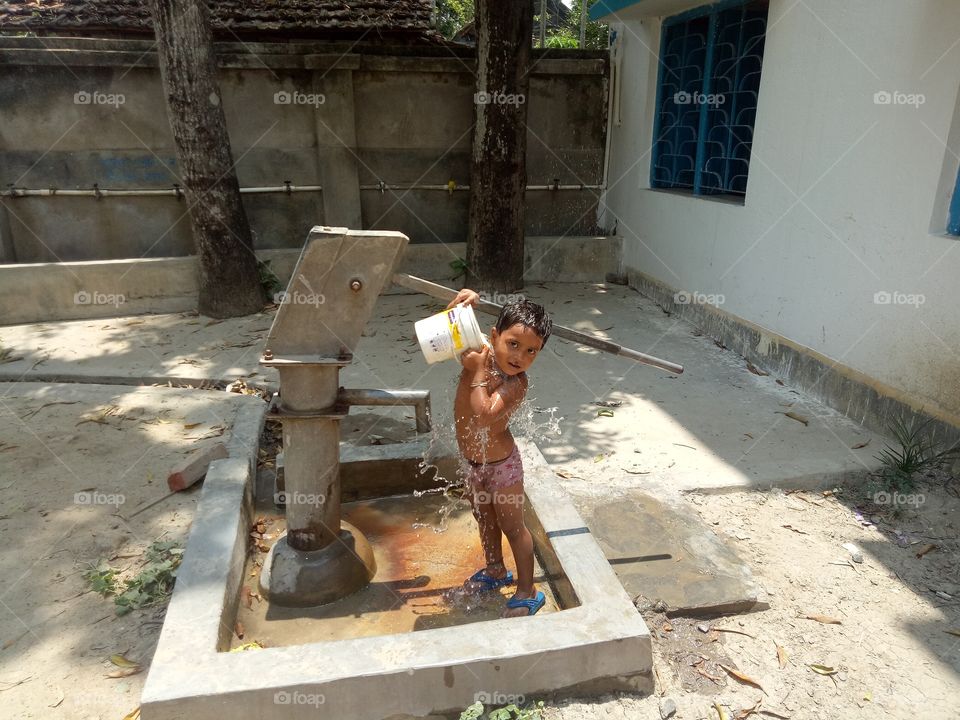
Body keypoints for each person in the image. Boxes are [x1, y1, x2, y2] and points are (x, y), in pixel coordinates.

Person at [446, 288, 552, 617]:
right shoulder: (481, 353)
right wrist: (460, 306)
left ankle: (527, 591)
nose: (520, 356)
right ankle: (495, 569)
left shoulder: (516, 384)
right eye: (514, 344)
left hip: (502, 467)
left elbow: (484, 416)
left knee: (513, 527)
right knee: (485, 519)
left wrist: (477, 371)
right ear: (494, 336)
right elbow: (449, 330)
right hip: (473, 463)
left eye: (532, 351)